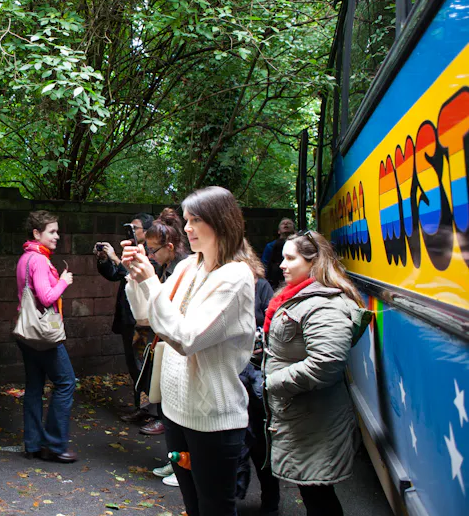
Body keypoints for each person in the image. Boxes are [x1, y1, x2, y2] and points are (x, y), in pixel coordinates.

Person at [123, 186, 256, 515]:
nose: (188, 228)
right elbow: (148, 317)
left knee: (215, 508)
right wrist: (137, 277)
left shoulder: (236, 276)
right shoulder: (187, 268)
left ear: (222, 222)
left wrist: (151, 282)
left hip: (213, 420)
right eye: (187, 220)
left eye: (196, 220)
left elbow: (186, 337)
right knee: (193, 506)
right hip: (176, 412)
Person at [263, 231, 362, 516]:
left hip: (315, 421)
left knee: (318, 496)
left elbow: (326, 363)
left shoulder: (325, 304)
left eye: (290, 258)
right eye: (282, 257)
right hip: (303, 416)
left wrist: (272, 383)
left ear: (314, 261)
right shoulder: (300, 296)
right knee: (314, 493)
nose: (282, 264)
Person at [16, 210, 77, 463]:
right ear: (36, 233)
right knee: (66, 382)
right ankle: (54, 444)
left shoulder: (25, 258)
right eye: (52, 231)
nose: (57, 236)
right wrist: (63, 281)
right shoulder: (40, 261)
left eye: (57, 231)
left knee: (34, 387)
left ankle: (32, 444)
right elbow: (46, 297)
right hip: (44, 334)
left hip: (26, 332)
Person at [94, 213, 154, 422]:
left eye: (134, 228)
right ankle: (142, 408)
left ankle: (151, 413)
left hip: (144, 321)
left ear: (146, 232)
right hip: (128, 318)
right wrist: (104, 259)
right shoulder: (133, 252)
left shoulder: (151, 254)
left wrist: (115, 257)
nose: (131, 232)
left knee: (144, 366)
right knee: (134, 365)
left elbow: (131, 273)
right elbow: (115, 274)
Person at [235, 243, 280, 514]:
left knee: (261, 444)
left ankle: (270, 501)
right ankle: (233, 496)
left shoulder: (261, 286)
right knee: (236, 440)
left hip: (255, 368)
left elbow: (271, 321)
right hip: (232, 370)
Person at [137, 218, 189, 438]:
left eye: (153, 250)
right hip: (162, 339)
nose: (150, 256)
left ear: (169, 247)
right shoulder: (166, 265)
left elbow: (167, 308)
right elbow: (143, 312)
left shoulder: (184, 269)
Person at [262, 218, 295, 290]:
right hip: (274, 282)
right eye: (283, 223)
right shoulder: (270, 246)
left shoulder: (299, 246)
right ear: (279, 231)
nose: (286, 224)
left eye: (289, 223)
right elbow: (264, 265)